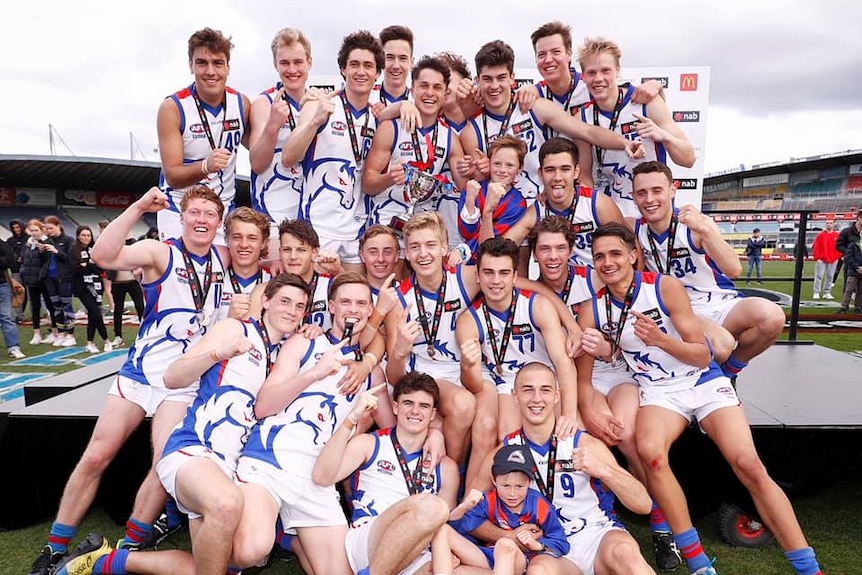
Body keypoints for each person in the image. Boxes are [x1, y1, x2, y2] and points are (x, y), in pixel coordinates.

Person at [581, 222, 824, 575]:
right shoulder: (594, 308)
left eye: (616, 253)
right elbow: (595, 366)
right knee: (651, 455)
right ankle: (698, 563)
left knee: (749, 466)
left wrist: (661, 340)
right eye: (600, 256)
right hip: (659, 390)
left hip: (701, 379)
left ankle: (807, 566)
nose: (608, 262)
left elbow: (701, 355)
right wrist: (606, 352)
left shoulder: (664, 288)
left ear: (634, 256)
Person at [51, 274, 311, 575]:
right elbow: (173, 376)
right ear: (265, 302)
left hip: (232, 468)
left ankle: (107, 561)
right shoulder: (235, 329)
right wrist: (217, 353)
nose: (292, 311)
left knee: (230, 560)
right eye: (285, 301)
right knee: (226, 504)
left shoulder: (286, 355)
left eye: (300, 306)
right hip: (194, 450)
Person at [28, 186, 226, 575]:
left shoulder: (225, 257)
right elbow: (102, 255)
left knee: (163, 462)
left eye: (210, 214)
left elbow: (276, 254)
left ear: (218, 223)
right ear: (182, 217)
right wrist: (138, 206)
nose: (202, 220)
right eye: (195, 212)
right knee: (97, 455)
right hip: (141, 373)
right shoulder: (160, 252)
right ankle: (56, 545)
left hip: (182, 381)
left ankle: (129, 544)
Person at [230, 272, 394, 573]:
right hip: (270, 460)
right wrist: (314, 374)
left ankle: (288, 537)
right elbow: (264, 406)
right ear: (331, 306)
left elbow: (393, 433)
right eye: (345, 302)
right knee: (250, 550)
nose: (353, 310)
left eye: (361, 303)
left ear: (371, 311)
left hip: (318, 476)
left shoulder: (371, 373)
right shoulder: (304, 342)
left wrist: (363, 424)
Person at [471, 363, 654, 575]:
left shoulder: (582, 442)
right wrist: (509, 536)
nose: (537, 398)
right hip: (546, 546)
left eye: (545, 390)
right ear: (515, 396)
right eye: (528, 390)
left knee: (627, 555)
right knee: (539, 572)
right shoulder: (504, 454)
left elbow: (644, 504)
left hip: (594, 534)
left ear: (557, 395)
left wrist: (604, 470)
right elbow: (467, 514)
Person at [632, 161, 782, 382]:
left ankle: (727, 374)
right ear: (633, 197)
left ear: (673, 190)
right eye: (642, 193)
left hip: (719, 301)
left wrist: (705, 229)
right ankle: (707, 382)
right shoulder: (636, 230)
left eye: (657, 190)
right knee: (722, 345)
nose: (650, 199)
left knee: (772, 317)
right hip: (680, 308)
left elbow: (734, 269)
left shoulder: (696, 224)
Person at [312, 372, 458, 575]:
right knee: (434, 507)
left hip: (415, 550)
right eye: (408, 403)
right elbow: (322, 477)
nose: (415, 411)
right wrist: (350, 420)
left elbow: (442, 527)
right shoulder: (370, 444)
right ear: (396, 407)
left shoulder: (446, 467)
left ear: (433, 414)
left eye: (424, 406)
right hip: (369, 537)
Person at [457, 40, 641, 201]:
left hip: (545, 204)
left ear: (512, 78)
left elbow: (587, 131)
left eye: (501, 78)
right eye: (487, 79)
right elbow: (481, 179)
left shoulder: (535, 107)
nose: (495, 86)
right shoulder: (471, 131)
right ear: (477, 80)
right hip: (507, 213)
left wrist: (624, 143)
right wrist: (481, 171)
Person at [457, 237, 578, 464]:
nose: (496, 281)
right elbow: (473, 384)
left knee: (571, 436)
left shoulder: (537, 305)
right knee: (510, 444)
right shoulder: (468, 320)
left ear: (514, 277)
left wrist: (570, 414)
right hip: (507, 382)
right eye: (488, 273)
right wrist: (467, 364)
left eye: (503, 273)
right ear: (477, 276)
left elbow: (564, 363)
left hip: (545, 378)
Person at [282, 30, 386, 272]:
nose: (361, 72)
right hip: (318, 226)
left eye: (368, 66)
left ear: (377, 73)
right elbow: (289, 157)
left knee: (352, 301)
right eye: (354, 65)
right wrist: (314, 122)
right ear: (343, 69)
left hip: (357, 229)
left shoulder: (378, 116)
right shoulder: (320, 104)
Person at [363, 55, 467, 271]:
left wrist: (477, 170)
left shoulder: (449, 138)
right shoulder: (391, 128)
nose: (430, 93)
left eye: (437, 87)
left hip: (424, 227)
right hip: (388, 222)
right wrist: (389, 178)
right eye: (424, 86)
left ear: (445, 92)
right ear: (412, 90)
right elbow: (368, 183)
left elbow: (465, 186)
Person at [578, 37, 695, 222]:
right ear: (583, 76)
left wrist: (663, 136)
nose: (598, 79)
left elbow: (688, 159)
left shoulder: (646, 102)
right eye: (591, 72)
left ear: (617, 70)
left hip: (651, 213)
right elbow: (585, 174)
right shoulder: (583, 116)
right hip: (611, 215)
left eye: (605, 71)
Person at [156, 27, 250, 245]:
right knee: (178, 275)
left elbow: (260, 151)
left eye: (218, 63)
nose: (210, 71)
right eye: (202, 63)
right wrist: (205, 166)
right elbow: (172, 175)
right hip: (179, 209)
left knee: (219, 277)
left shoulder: (241, 103)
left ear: (228, 67)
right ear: (191, 65)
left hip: (222, 210)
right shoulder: (173, 107)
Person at [497, 137, 625, 273]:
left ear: (576, 172)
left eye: (565, 169)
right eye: (550, 170)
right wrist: (487, 211)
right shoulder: (536, 211)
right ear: (541, 174)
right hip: (552, 290)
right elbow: (498, 251)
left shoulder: (597, 203)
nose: (557, 177)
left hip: (595, 287)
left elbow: (629, 248)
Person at [528, 22, 663, 140]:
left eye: (556, 52)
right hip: (557, 167)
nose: (548, 59)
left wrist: (657, 85)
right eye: (541, 55)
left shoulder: (592, 83)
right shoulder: (532, 96)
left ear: (568, 55)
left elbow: (627, 93)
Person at [450, 444, 570, 574]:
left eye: (519, 486)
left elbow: (561, 543)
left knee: (505, 545)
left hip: (521, 561)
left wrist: (536, 545)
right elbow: (460, 526)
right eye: (505, 485)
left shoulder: (539, 505)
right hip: (489, 557)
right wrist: (464, 506)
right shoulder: (488, 501)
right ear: (494, 480)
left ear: (530, 482)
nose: (512, 493)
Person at [249, 27, 316, 257]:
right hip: (273, 217)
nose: (292, 70)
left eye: (298, 62)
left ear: (309, 62)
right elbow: (257, 163)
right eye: (284, 63)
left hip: (312, 217)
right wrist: (273, 125)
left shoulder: (319, 101)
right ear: (275, 64)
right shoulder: (264, 103)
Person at [459, 135, 530, 256]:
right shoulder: (472, 189)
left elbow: (490, 243)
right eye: (497, 164)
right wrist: (470, 201)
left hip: (490, 260)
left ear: (520, 168)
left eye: (510, 165)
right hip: (467, 261)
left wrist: (463, 251)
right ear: (489, 164)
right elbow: (466, 232)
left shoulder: (518, 203)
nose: (502, 170)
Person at [218, 207, 272, 321]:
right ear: (227, 240)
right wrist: (229, 319)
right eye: (237, 237)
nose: (243, 244)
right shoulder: (213, 279)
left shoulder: (274, 280)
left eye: (252, 238)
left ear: (263, 243)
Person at [70, 225, 112, 353]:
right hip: (82, 287)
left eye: (88, 235)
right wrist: (88, 266)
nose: (86, 238)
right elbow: (74, 268)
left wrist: (86, 265)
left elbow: (101, 268)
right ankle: (106, 340)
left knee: (93, 315)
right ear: (78, 236)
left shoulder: (94, 249)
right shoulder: (73, 250)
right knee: (96, 313)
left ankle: (90, 342)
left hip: (97, 285)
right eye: (83, 235)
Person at [19, 219, 59, 346]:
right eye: (32, 231)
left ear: (41, 230)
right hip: (30, 279)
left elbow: (48, 261)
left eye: (36, 230)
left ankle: (55, 331)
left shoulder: (47, 242)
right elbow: (23, 259)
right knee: (34, 307)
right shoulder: (27, 243)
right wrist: (23, 272)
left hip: (45, 279)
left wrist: (42, 251)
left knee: (50, 305)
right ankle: (36, 333)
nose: (34, 233)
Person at [40, 216, 77, 347]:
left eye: (51, 228)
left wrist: (56, 251)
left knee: (66, 305)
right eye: (46, 228)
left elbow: (71, 259)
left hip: (64, 277)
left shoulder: (68, 240)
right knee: (56, 306)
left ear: (58, 226)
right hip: (50, 278)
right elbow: (43, 260)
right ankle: (61, 333)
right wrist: (40, 251)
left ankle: (70, 334)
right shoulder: (47, 240)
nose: (48, 231)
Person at [107, 248, 145, 349]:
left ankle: (145, 333)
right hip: (117, 282)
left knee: (140, 307)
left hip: (132, 281)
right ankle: (118, 336)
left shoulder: (132, 244)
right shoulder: (112, 247)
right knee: (118, 310)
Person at [374, 25, 413, 105]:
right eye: (390, 57)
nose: (396, 66)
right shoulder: (367, 99)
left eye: (403, 58)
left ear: (411, 62)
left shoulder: (419, 103)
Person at [0, 237, 25, 358]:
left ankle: (13, 347)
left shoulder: (1, 243)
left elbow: (11, 260)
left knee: (6, 316)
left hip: (2, 285)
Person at [811, 221, 840, 299]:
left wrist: (837, 256)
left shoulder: (837, 235)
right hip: (821, 258)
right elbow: (816, 246)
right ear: (825, 225)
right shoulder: (820, 235)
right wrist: (817, 257)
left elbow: (839, 246)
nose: (829, 224)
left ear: (833, 224)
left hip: (833, 259)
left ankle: (827, 292)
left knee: (830, 276)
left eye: (830, 223)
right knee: (819, 275)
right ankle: (816, 292)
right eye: (827, 223)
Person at [836, 232, 862, 314]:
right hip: (853, 271)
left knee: (861, 291)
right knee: (849, 289)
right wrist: (857, 267)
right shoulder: (853, 244)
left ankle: (858, 307)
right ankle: (844, 307)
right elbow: (848, 257)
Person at [7, 219, 27, 322]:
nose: (16, 229)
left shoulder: (29, 238)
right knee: (17, 292)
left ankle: (42, 315)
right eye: (14, 228)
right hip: (16, 270)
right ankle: (19, 315)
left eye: (18, 227)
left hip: (29, 269)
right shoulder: (10, 241)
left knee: (31, 293)